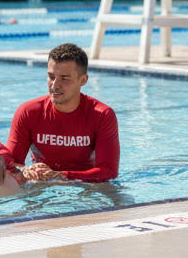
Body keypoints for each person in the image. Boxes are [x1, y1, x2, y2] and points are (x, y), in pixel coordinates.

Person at [6, 43, 120, 182]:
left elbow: (109, 171)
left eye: (64, 79)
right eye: (51, 76)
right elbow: (11, 165)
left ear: (83, 80)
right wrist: (25, 173)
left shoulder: (102, 115)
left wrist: (61, 177)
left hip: (87, 186)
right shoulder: (29, 112)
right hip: (41, 185)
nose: (55, 85)